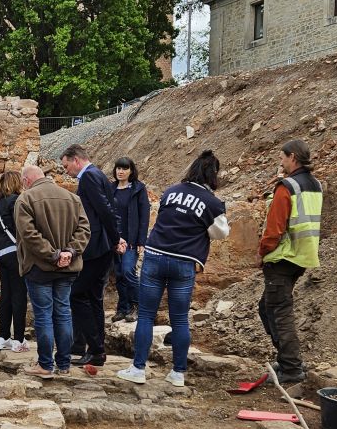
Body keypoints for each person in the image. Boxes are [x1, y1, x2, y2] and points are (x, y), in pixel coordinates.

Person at [117, 150, 230, 386]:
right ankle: (178, 373)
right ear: (213, 175)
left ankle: (138, 368)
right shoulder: (212, 202)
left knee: (146, 315)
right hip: (184, 261)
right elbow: (221, 233)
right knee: (179, 319)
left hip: (155, 256)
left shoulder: (171, 191)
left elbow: (163, 216)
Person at [14, 165, 90, 378]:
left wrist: (53, 255)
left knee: (44, 316)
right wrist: (70, 252)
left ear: (26, 181)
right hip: (68, 269)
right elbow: (84, 230)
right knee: (64, 313)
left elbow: (29, 235)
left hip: (39, 268)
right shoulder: (72, 198)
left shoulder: (26, 199)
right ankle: (64, 364)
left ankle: (45, 365)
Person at [258, 139, 323, 384]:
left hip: (282, 256)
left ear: (292, 157)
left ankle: (291, 366)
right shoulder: (315, 184)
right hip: (302, 255)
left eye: (283, 158)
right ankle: (288, 359)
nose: (281, 162)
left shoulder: (287, 187)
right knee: (267, 307)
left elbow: (274, 229)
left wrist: (262, 252)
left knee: (279, 312)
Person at [60, 144, 123, 367]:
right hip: (102, 245)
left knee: (77, 294)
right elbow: (111, 207)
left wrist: (115, 240)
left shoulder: (88, 177)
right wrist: (114, 239)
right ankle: (93, 349)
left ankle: (95, 348)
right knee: (94, 297)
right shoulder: (98, 174)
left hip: (96, 247)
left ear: (76, 160)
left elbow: (105, 210)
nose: (66, 170)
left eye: (66, 166)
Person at [0, 171, 29, 352]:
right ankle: (18, 339)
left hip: (1, 252)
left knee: (6, 294)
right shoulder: (16, 201)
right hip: (14, 252)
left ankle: (3, 336)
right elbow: (21, 227)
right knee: (19, 294)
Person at [108, 157, 150, 323]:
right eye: (118, 168)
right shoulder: (111, 189)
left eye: (124, 168)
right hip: (114, 240)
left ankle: (137, 307)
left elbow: (144, 216)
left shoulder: (138, 189)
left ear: (131, 171)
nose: (120, 171)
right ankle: (123, 308)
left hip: (131, 240)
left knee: (127, 272)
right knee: (119, 275)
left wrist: (141, 241)